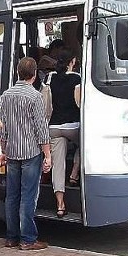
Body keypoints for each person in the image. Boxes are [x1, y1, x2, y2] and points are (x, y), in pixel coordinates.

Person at [0, 57, 51, 251]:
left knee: (12, 196)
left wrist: (3, 150)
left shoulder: (6, 95)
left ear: (18, 73)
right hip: (30, 152)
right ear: (35, 74)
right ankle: (28, 239)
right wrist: (47, 154)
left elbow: (1, 127)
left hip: (12, 151)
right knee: (28, 196)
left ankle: (11, 237)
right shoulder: (35, 97)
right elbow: (41, 128)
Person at [48, 48, 81, 218]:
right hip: (71, 125)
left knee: (57, 164)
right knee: (86, 143)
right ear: (72, 61)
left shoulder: (50, 78)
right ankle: (75, 173)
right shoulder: (76, 78)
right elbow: (79, 104)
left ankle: (60, 204)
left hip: (53, 126)